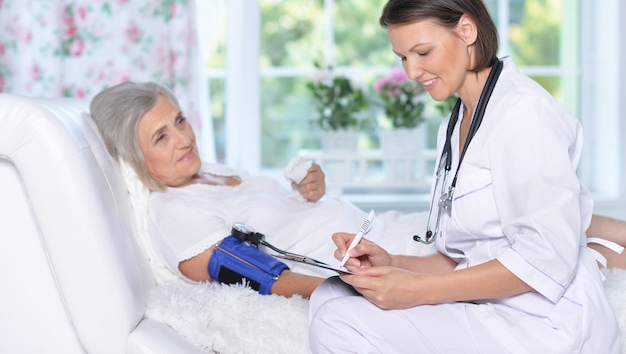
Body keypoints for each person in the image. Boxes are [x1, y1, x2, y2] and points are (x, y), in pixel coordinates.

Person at [307, 0, 621, 353]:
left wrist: (415, 291)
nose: (411, 72)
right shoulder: (456, 123)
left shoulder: (523, 113)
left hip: (543, 321)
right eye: (403, 57)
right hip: (492, 305)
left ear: (467, 31)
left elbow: (545, 260)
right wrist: (392, 263)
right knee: (331, 295)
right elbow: (466, 257)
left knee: (339, 322)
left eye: (422, 52)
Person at [90, 81, 625, 302]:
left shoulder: (211, 173)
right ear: (137, 158)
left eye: (180, 119)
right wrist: (352, 287)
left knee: (539, 213)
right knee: (532, 236)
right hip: (368, 259)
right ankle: (598, 258)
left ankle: (605, 242)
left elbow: (272, 223)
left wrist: (307, 190)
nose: (184, 137)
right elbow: (256, 275)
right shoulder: (172, 212)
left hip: (382, 229)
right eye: (162, 136)